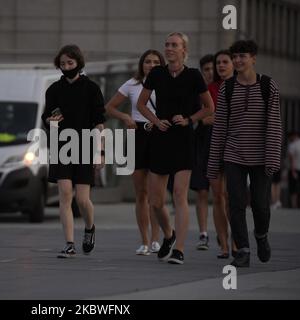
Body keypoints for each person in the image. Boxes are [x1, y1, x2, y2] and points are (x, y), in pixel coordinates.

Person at [136, 32, 214, 265]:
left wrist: (190, 119)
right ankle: (168, 235)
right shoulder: (157, 73)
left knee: (180, 194)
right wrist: (156, 120)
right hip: (160, 138)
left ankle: (179, 249)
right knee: (156, 202)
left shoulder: (193, 76)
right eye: (167, 45)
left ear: (184, 50)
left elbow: (209, 107)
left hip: (183, 139)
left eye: (174, 45)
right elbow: (141, 103)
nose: (169, 48)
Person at [208, 40, 282, 267]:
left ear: (253, 58)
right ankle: (243, 250)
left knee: (260, 204)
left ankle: (261, 236)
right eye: (236, 57)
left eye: (243, 56)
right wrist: (213, 162)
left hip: (261, 156)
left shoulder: (268, 86)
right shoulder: (227, 88)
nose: (239, 60)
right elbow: (220, 126)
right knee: (235, 203)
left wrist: (272, 158)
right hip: (234, 154)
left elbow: (274, 124)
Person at [41, 44, 106, 258]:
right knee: (65, 194)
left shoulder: (92, 89)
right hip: (61, 146)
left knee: (82, 199)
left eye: (70, 63)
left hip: (86, 145)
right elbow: (45, 119)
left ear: (79, 63)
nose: (66, 67)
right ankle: (69, 243)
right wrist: (50, 120)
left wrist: (100, 152)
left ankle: (89, 228)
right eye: (62, 64)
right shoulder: (54, 90)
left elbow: (99, 123)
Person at [105, 49, 165, 255]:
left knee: (157, 194)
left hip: (159, 135)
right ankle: (145, 241)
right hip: (137, 135)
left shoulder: (167, 83)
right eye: (147, 61)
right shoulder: (132, 84)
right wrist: (125, 117)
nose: (151, 65)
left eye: (156, 62)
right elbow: (110, 107)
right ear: (142, 65)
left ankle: (157, 239)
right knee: (141, 193)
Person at [207, 50, 237, 259]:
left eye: (225, 62)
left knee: (232, 198)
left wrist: (219, 116)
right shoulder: (210, 89)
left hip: (237, 149)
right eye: (218, 63)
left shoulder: (243, 87)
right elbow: (205, 119)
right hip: (214, 146)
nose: (221, 66)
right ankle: (224, 245)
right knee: (217, 197)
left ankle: (237, 242)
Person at [190, 53, 216, 251]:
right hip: (200, 143)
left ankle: (224, 234)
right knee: (201, 190)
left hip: (219, 142)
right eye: (206, 69)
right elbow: (199, 118)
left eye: (212, 68)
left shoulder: (224, 89)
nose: (210, 72)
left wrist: (204, 117)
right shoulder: (197, 91)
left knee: (221, 193)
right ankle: (203, 233)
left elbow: (212, 117)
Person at [287, 131, 300, 208]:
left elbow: (292, 159)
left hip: (296, 168)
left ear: (293, 136)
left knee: (293, 188)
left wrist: (293, 171)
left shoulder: (292, 145)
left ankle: (294, 205)